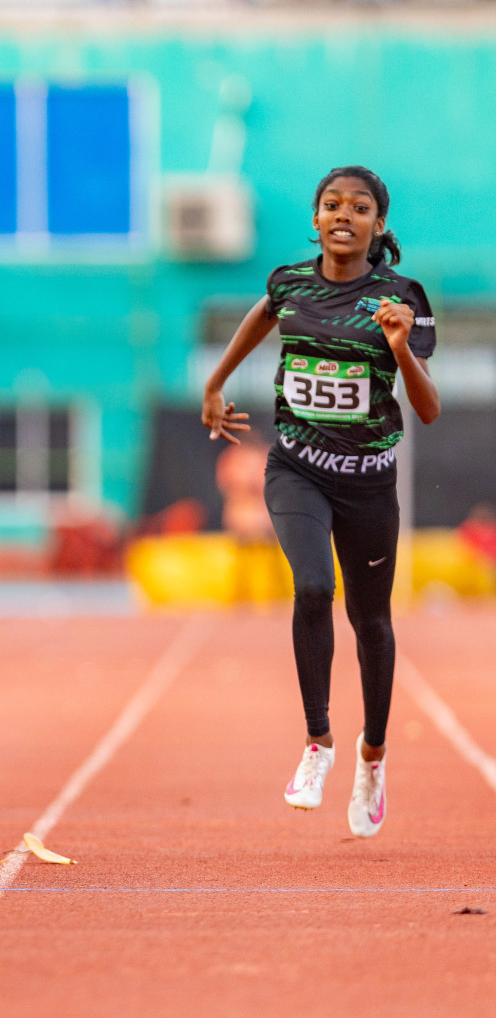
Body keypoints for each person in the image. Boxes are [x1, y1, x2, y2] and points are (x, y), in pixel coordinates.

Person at [202, 166, 439, 838]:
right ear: (315, 218)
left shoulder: (400, 296)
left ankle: (373, 757)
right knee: (311, 589)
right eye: (332, 204)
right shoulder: (289, 283)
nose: (344, 215)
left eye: (360, 207)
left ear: (378, 225)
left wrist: (400, 347)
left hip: (368, 481)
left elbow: (428, 408)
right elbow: (263, 314)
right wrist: (217, 382)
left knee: (372, 624)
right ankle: (318, 744)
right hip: (297, 469)